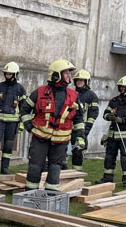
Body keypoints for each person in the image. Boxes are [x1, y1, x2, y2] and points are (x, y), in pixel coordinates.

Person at [20, 59, 85, 191]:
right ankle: (29, 195)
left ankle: (50, 195)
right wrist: (29, 127)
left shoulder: (74, 96)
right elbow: (24, 110)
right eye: (66, 72)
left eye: (69, 73)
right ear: (56, 75)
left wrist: (80, 138)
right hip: (40, 138)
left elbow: (78, 120)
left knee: (55, 167)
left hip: (61, 141)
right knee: (35, 166)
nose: (69, 76)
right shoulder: (39, 92)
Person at [95, 75, 126, 188]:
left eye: (125, 87)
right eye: (121, 87)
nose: (122, 88)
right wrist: (110, 116)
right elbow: (105, 114)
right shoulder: (114, 101)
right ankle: (107, 178)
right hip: (112, 135)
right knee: (109, 157)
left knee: (125, 158)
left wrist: (122, 120)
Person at [0, 61, 27, 176]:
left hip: (13, 123)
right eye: (6, 73)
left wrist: (22, 123)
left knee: (8, 146)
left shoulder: (20, 89)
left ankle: (5, 168)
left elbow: (24, 108)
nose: (7, 75)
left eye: (10, 73)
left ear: (15, 74)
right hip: (0, 121)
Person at [69, 69, 99, 171]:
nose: (79, 82)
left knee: (78, 150)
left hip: (81, 129)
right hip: (67, 127)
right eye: (77, 80)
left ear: (86, 82)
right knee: (62, 150)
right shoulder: (71, 93)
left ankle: (76, 173)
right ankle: (62, 172)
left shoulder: (91, 96)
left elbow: (93, 113)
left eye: (82, 80)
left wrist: (87, 129)